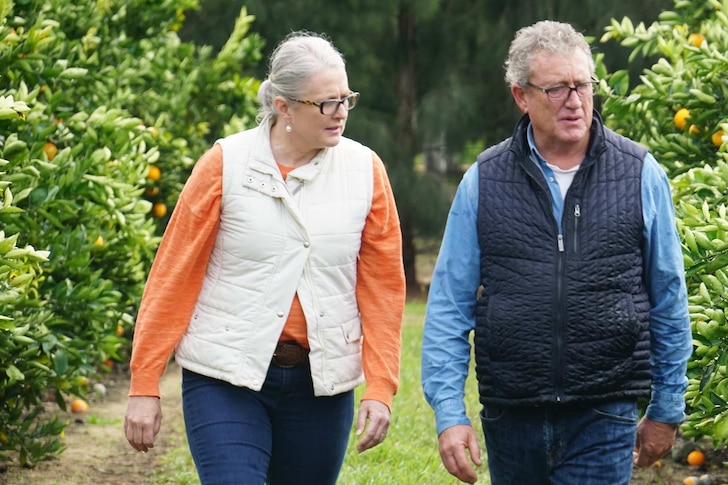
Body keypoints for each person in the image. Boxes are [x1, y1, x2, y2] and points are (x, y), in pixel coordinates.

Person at [123, 31, 406, 485]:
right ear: (283, 107)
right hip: (224, 377)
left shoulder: (366, 170)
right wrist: (144, 382)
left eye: (346, 99)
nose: (340, 114)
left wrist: (380, 385)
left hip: (320, 383)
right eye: (326, 103)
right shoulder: (223, 164)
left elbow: (382, 287)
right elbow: (173, 277)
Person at [421, 20, 692, 485]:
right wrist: (450, 414)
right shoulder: (483, 180)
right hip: (511, 414)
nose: (574, 100)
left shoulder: (640, 173)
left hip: (605, 410)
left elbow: (669, 298)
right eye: (556, 89)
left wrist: (666, 409)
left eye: (582, 85)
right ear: (520, 96)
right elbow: (449, 305)